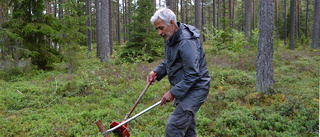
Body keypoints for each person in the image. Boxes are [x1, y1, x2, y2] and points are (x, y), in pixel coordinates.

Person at [147, 8, 211, 137]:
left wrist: (173, 92)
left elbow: (193, 73)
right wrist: (156, 72)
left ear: (171, 23)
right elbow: (169, 61)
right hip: (186, 87)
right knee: (188, 132)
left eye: (161, 28)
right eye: (157, 29)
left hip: (196, 89)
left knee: (174, 129)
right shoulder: (171, 37)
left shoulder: (186, 42)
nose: (159, 32)